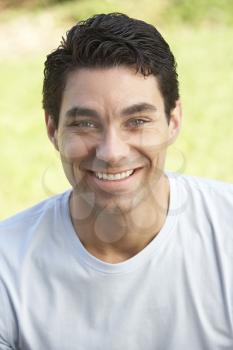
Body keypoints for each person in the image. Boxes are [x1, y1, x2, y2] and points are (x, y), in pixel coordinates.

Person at [0, 12, 233, 350]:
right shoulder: (7, 266)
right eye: (85, 124)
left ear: (173, 120)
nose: (111, 152)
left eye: (137, 120)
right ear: (53, 129)